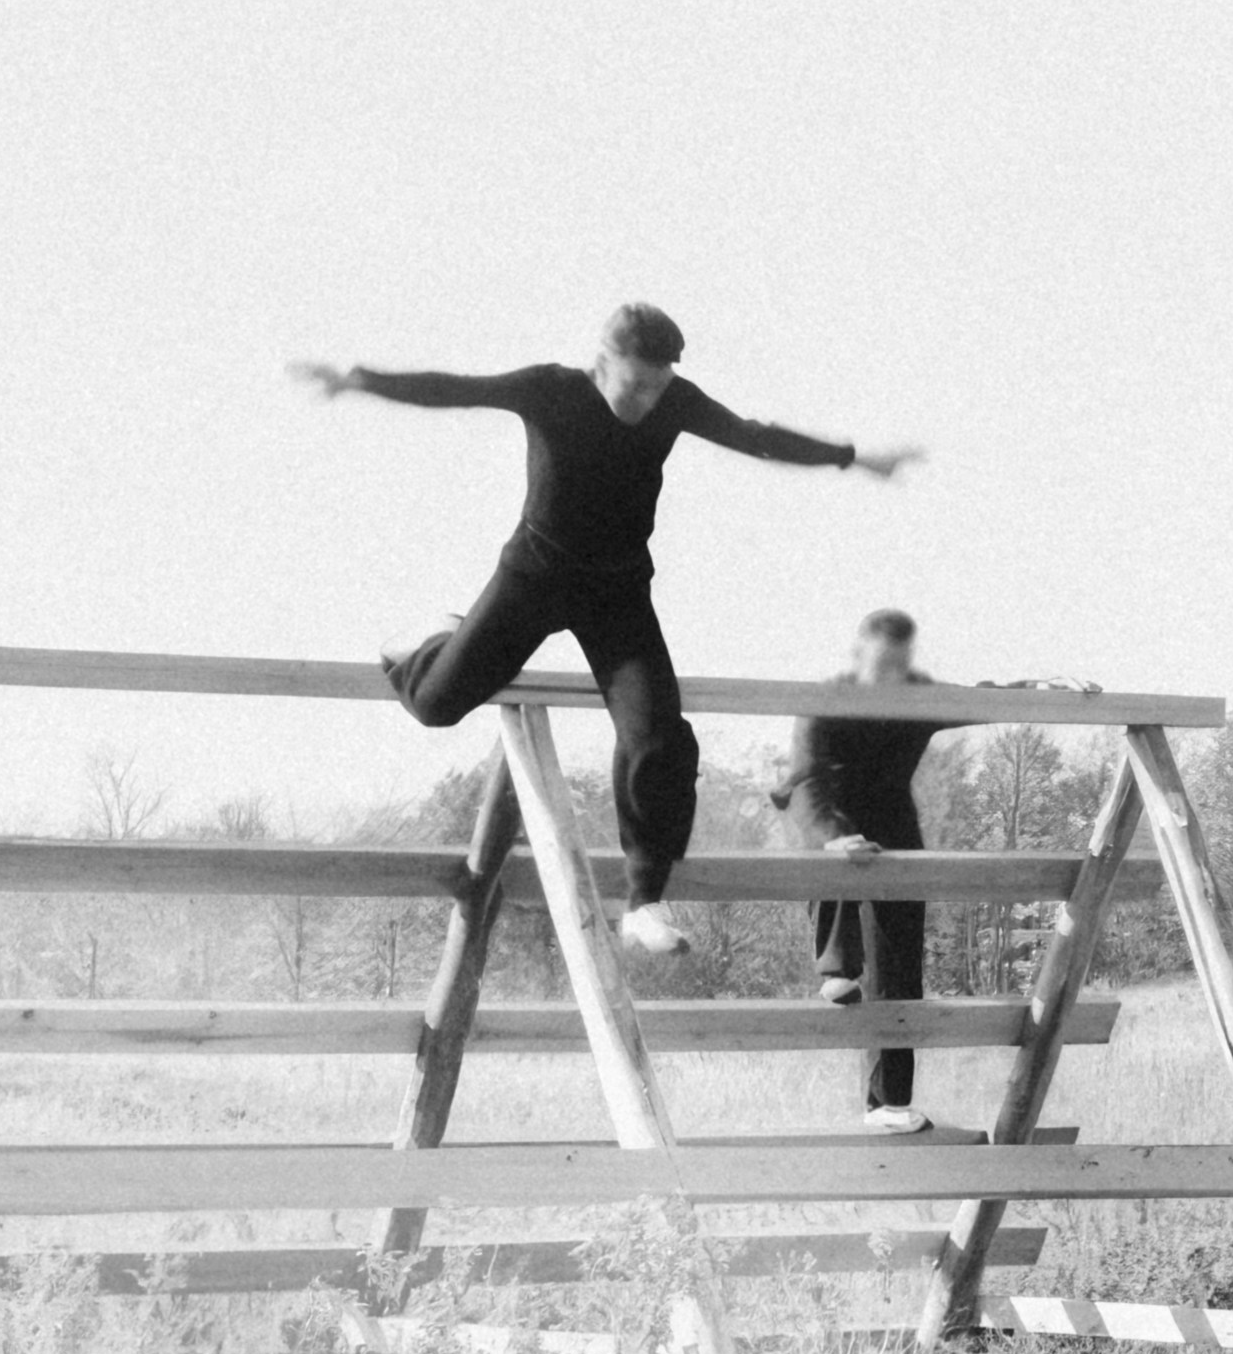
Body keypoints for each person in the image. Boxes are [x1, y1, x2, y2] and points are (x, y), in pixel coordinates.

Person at [293, 306, 917, 958]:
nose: (647, 400)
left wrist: (855, 459)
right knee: (435, 705)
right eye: (635, 383)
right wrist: (359, 380)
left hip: (617, 595)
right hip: (532, 579)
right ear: (601, 363)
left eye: (657, 385)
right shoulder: (551, 389)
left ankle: (644, 901)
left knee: (661, 738)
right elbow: (457, 389)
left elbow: (753, 436)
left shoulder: (675, 401)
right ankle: (430, 641)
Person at [767, 610, 1089, 1133]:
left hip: (893, 823)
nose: (889, 677)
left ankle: (889, 1103)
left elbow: (979, 699)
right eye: (880, 665)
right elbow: (806, 782)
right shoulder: (825, 701)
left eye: (899, 666)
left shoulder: (918, 698)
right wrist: (830, 837)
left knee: (897, 963)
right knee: (838, 851)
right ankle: (837, 967)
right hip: (824, 812)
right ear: (857, 659)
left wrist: (1041, 686)